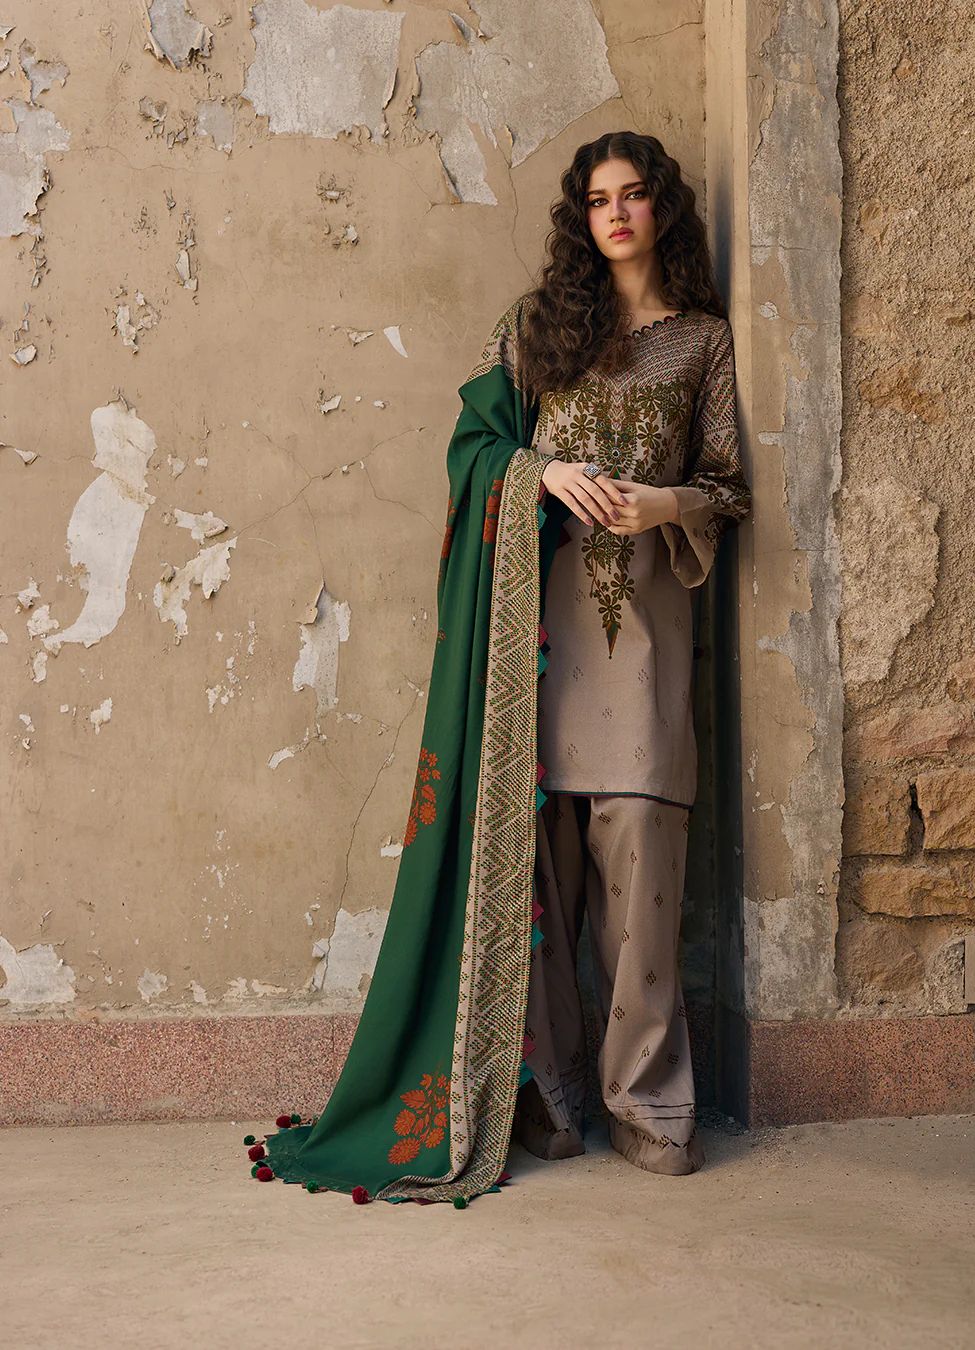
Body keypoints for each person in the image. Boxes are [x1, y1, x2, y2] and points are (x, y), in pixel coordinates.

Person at [243, 129, 751, 1207]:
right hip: (537, 642)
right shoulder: (539, 331)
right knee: (540, 877)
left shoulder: (703, 344)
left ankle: (649, 1102)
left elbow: (727, 487)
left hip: (647, 636)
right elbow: (472, 450)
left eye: (636, 195)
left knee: (644, 868)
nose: (618, 214)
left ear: (662, 208)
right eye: (600, 200)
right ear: (582, 217)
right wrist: (540, 476)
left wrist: (663, 505)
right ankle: (552, 1098)